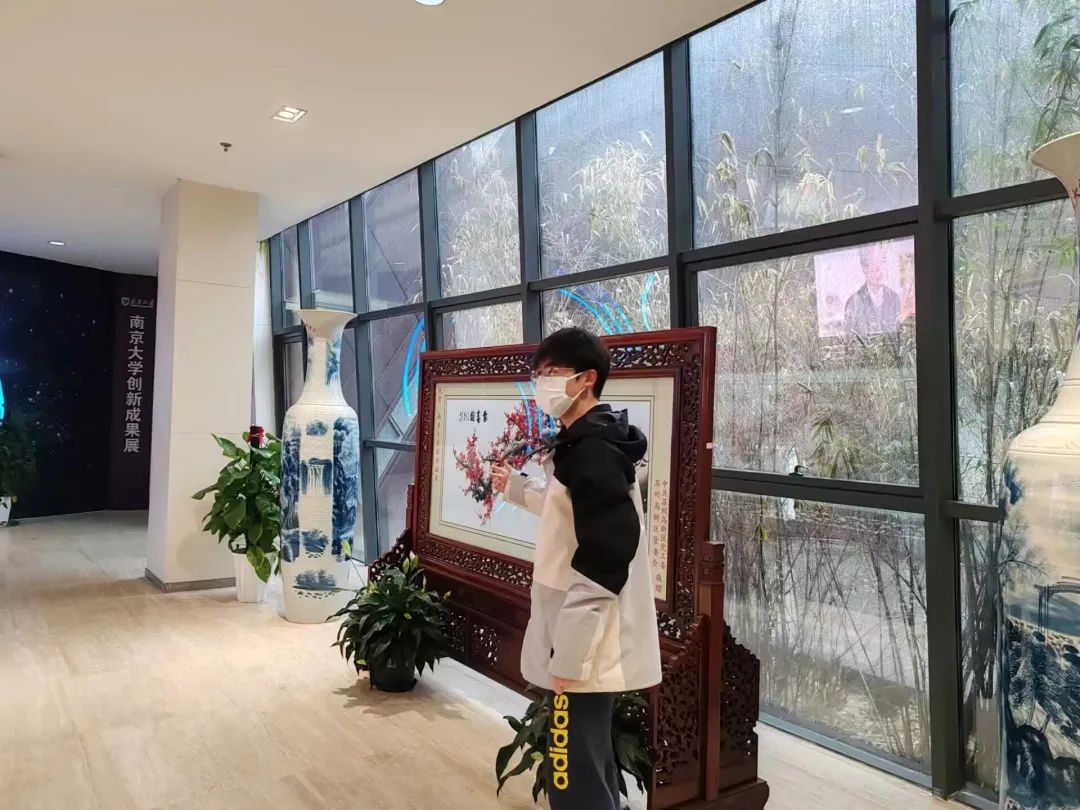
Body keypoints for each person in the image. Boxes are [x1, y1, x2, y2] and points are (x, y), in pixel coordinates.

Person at [491, 327, 661, 810]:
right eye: (538, 374)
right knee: (589, 762)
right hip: (580, 639)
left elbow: (605, 557)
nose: (541, 383)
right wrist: (516, 488)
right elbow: (568, 511)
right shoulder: (587, 443)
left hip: (584, 644)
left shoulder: (593, 452)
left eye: (551, 373)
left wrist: (567, 656)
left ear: (587, 379)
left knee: (572, 776)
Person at [844, 241, 901, 335]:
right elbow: (850, 341)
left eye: (883, 260)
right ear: (864, 268)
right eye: (874, 263)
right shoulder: (853, 303)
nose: (880, 269)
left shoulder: (894, 299)